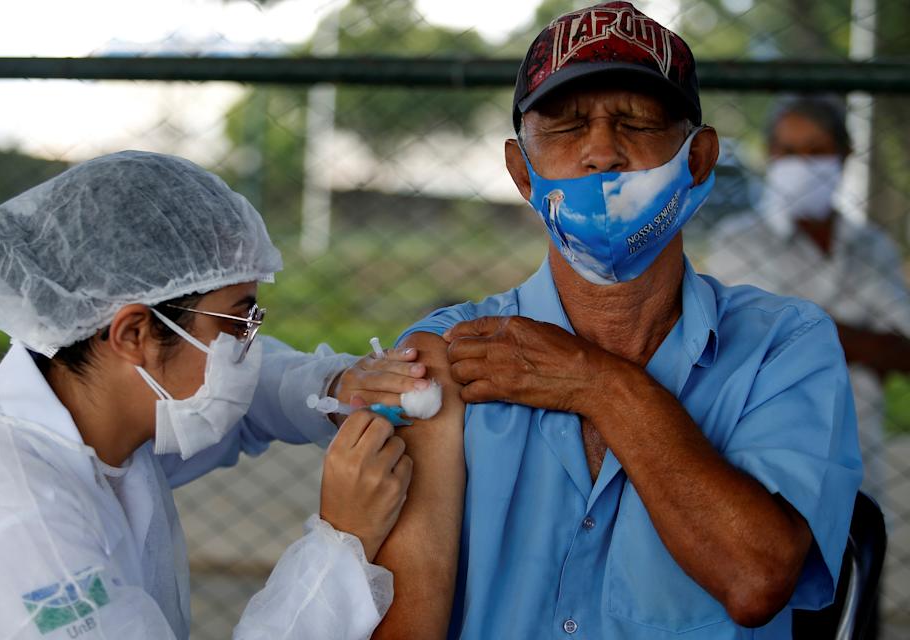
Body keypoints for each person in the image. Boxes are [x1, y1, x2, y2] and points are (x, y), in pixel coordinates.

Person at [370, 3, 863, 639]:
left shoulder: (782, 344)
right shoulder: (448, 355)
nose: (602, 151)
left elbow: (756, 579)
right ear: (522, 171)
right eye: (567, 126)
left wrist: (599, 385)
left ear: (700, 158)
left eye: (636, 121)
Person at [0, 150, 426, 640]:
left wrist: (331, 388)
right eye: (240, 321)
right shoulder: (27, 530)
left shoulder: (94, 420)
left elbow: (247, 395)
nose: (249, 345)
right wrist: (341, 545)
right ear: (133, 333)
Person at [705, 94, 910, 506]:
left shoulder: (871, 247)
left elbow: (904, 352)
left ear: (845, 155)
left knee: (862, 562)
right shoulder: (737, 240)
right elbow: (743, 338)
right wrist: (864, 343)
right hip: (764, 451)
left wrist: (801, 326)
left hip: (860, 448)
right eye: (788, 151)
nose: (801, 163)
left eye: (816, 151)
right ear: (771, 156)